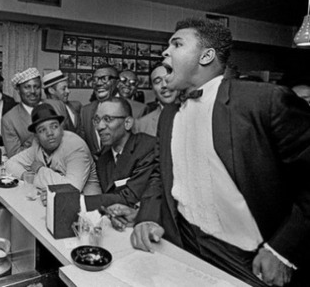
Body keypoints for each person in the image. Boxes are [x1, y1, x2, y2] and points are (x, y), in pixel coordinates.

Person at [113, 18, 310, 287]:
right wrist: (147, 217)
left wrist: (283, 250)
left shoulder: (263, 101)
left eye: (177, 44)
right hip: (185, 242)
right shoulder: (169, 114)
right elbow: (162, 174)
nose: (165, 51)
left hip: (251, 257)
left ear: (206, 56)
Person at [5, 103, 100, 195]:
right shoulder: (38, 145)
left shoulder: (75, 147)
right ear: (36, 136)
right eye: (42, 130)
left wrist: (40, 170)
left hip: (87, 203)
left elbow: (72, 188)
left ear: (61, 128)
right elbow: (10, 164)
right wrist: (25, 175)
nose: (49, 133)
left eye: (54, 126)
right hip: (53, 199)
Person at [83, 97, 156, 212]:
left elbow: (129, 198)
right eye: (97, 120)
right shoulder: (103, 156)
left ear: (127, 123)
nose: (99, 127)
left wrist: (81, 202)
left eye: (107, 119)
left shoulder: (147, 148)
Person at [1, 67, 73, 157]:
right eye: (27, 87)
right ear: (18, 90)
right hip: (33, 168)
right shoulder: (9, 119)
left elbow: (71, 137)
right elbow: (15, 155)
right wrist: (38, 139)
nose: (33, 91)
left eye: (36, 87)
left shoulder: (58, 105)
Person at [79, 65, 147, 157]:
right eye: (95, 79)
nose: (98, 83)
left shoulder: (138, 109)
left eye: (104, 79)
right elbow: (82, 145)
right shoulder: (85, 111)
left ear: (117, 83)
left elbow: (142, 147)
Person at [133, 63, 179, 136]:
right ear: (152, 88)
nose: (164, 85)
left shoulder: (196, 114)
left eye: (169, 78)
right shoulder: (141, 125)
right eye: (157, 81)